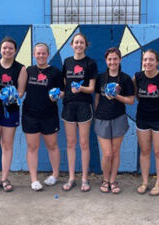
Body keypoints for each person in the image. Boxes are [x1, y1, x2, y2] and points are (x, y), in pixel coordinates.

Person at [0, 37, 27, 192]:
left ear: (15, 51)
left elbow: (21, 92)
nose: (7, 51)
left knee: (7, 145)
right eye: (4, 48)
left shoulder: (20, 69)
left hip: (10, 112)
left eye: (10, 48)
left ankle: (5, 178)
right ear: (0, 49)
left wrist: (13, 94)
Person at [22, 43, 64, 191]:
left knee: (52, 146)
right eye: (38, 53)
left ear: (48, 54)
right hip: (30, 114)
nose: (41, 56)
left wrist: (58, 96)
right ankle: (34, 179)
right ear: (34, 54)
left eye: (43, 53)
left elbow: (63, 91)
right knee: (32, 147)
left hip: (49, 115)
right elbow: (21, 89)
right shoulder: (28, 71)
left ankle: (55, 175)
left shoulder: (56, 72)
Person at [133, 49, 159, 196]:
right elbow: (136, 94)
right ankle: (144, 182)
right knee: (144, 151)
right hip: (142, 118)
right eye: (145, 60)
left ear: (157, 62)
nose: (147, 62)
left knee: (158, 152)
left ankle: (158, 184)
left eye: (151, 59)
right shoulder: (137, 77)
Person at [94, 47, 134, 194]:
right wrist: (97, 114)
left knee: (116, 152)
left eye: (115, 59)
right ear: (106, 61)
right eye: (110, 59)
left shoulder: (125, 79)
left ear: (120, 60)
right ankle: (105, 179)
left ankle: (112, 180)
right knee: (107, 153)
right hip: (102, 118)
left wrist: (117, 96)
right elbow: (97, 97)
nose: (112, 62)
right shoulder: (100, 78)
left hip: (118, 117)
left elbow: (130, 101)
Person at [61, 33, 98, 192]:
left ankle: (84, 178)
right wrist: (59, 94)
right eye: (76, 42)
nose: (78, 45)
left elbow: (91, 89)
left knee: (83, 143)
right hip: (69, 105)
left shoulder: (91, 63)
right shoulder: (67, 62)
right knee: (70, 143)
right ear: (71, 45)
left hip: (84, 105)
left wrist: (80, 88)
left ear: (85, 45)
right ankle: (71, 178)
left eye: (81, 42)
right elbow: (64, 85)